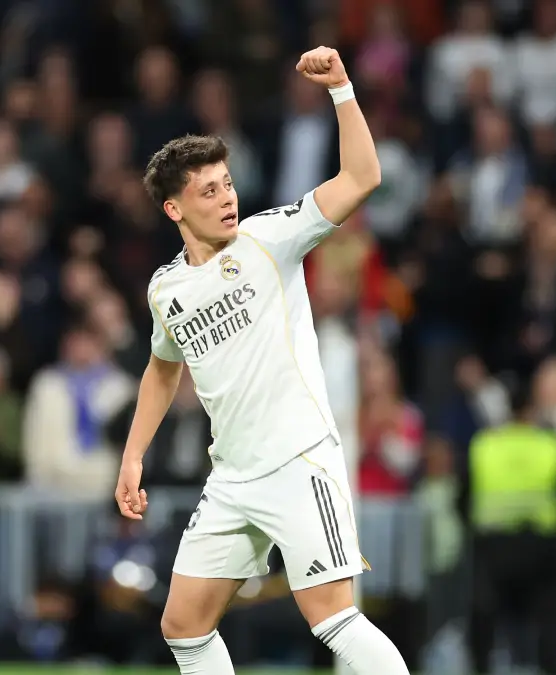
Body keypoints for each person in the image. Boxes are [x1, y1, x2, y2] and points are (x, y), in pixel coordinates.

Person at [114, 46, 407, 675]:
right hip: (234, 476)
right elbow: (164, 367)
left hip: (299, 457)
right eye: (208, 190)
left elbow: (361, 179)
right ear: (174, 210)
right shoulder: (166, 290)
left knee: (332, 616)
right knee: (183, 623)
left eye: (228, 184)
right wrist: (134, 455)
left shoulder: (272, 238)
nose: (226, 198)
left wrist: (342, 90)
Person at [457, 383, 556, 675]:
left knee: (484, 617)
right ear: (531, 409)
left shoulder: (485, 445)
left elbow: (463, 498)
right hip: (540, 545)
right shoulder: (551, 445)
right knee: (549, 620)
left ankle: (480, 667)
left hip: (493, 546)